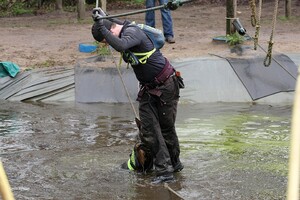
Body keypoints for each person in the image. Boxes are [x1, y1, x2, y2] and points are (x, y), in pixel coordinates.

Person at [91, 9, 184, 184]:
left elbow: (121, 45)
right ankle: (165, 169)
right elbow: (113, 26)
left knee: (166, 129)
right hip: (149, 89)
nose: (108, 44)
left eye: (106, 41)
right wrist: (102, 17)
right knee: (149, 130)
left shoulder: (132, 32)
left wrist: (101, 28)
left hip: (166, 87)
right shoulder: (119, 27)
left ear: (110, 31)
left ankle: (172, 167)